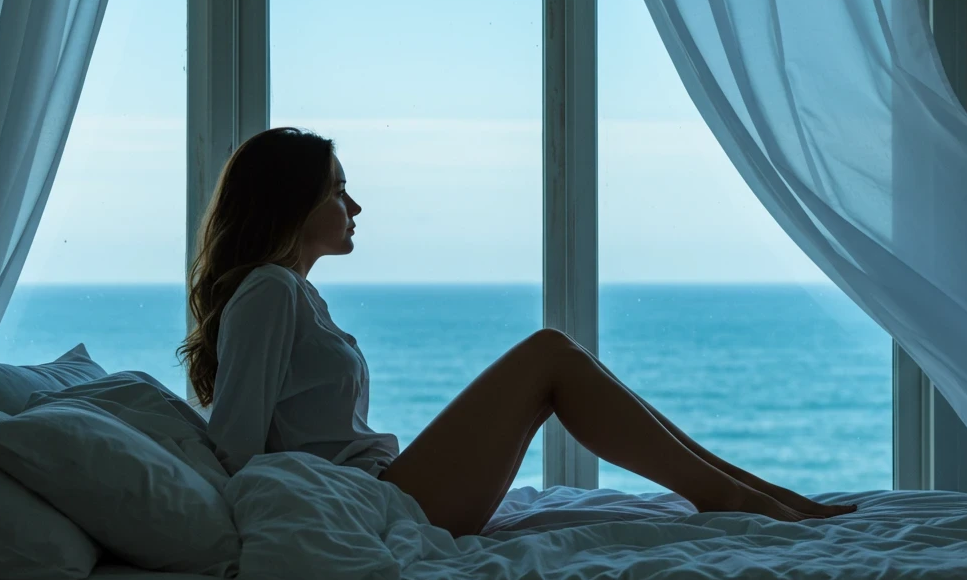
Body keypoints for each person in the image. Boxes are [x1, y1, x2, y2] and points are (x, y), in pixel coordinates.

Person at [179, 127, 857, 537]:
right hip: (378, 504)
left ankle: (753, 493)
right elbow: (234, 448)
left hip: (381, 490)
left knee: (553, 358)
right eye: (336, 191)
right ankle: (733, 495)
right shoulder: (268, 289)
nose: (354, 206)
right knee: (549, 357)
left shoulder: (289, 292)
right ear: (289, 205)